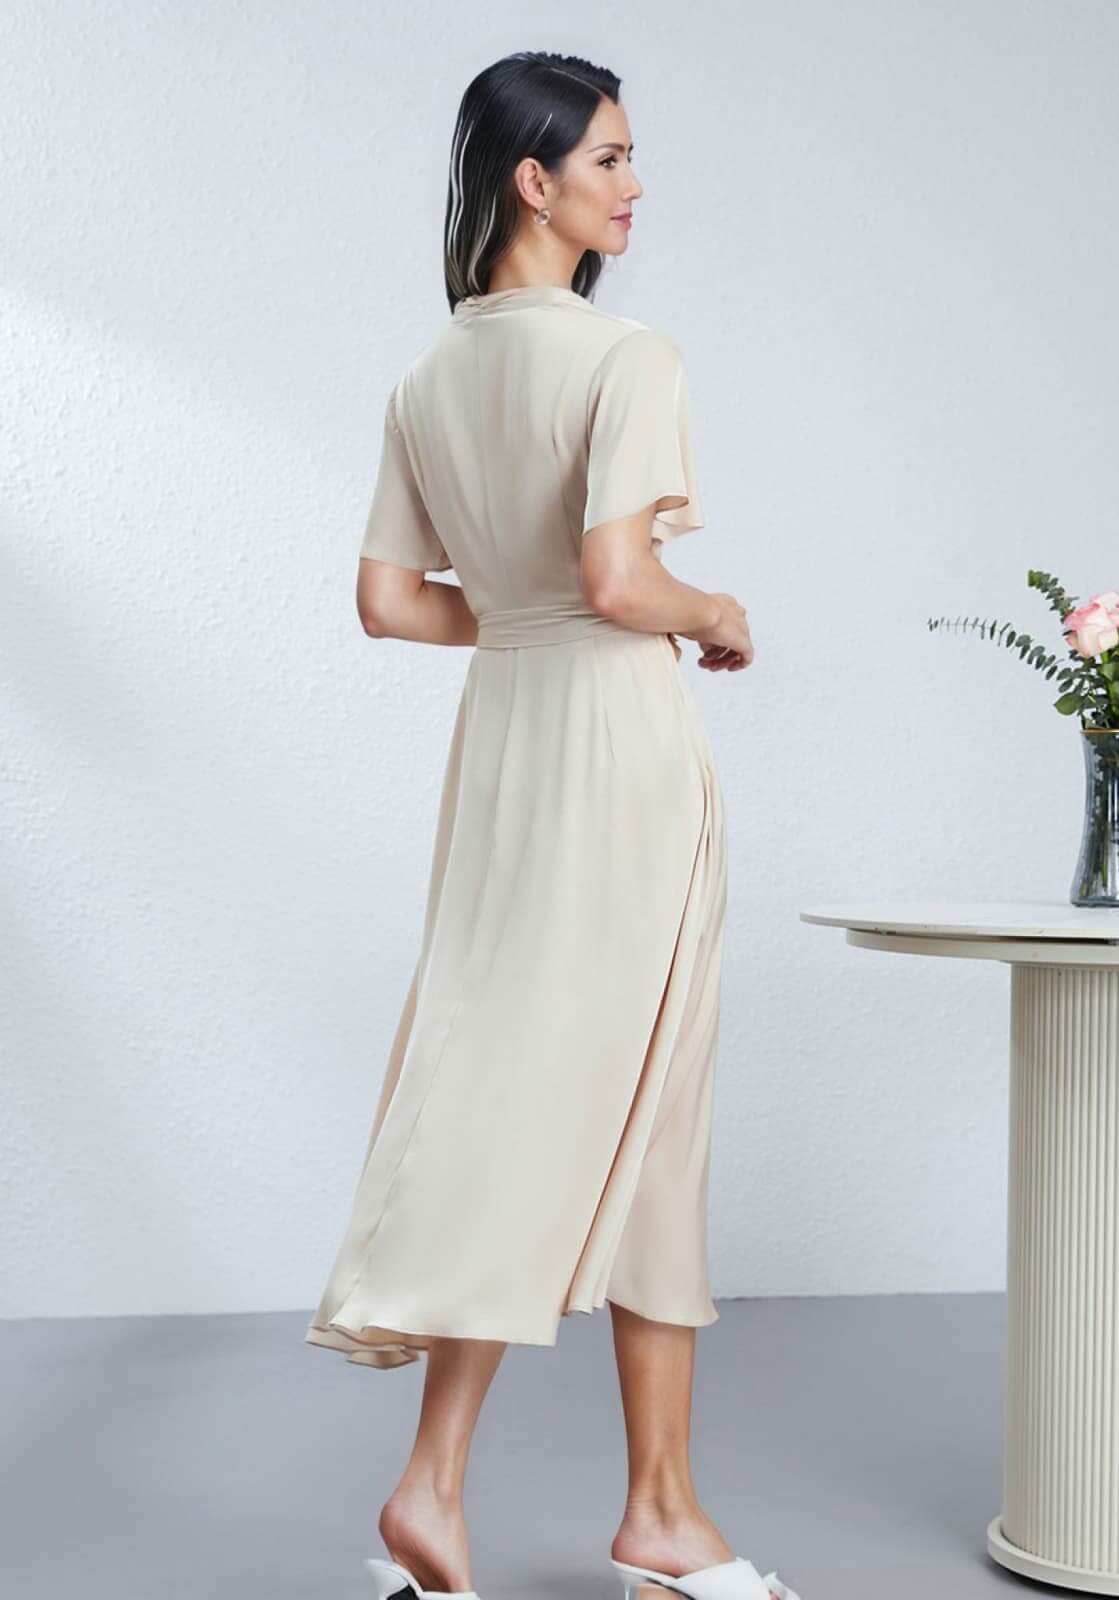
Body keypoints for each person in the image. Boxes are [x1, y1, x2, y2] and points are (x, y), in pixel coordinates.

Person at [305, 50, 797, 1600]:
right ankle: (656, 1515)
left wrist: (516, 620)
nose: (636, 185)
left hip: (506, 744)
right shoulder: (624, 356)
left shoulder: (427, 377)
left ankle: (446, 1491)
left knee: (515, 1088)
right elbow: (616, 583)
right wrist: (713, 609)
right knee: (649, 1115)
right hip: (617, 749)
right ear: (536, 182)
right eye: (611, 158)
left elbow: (390, 602)